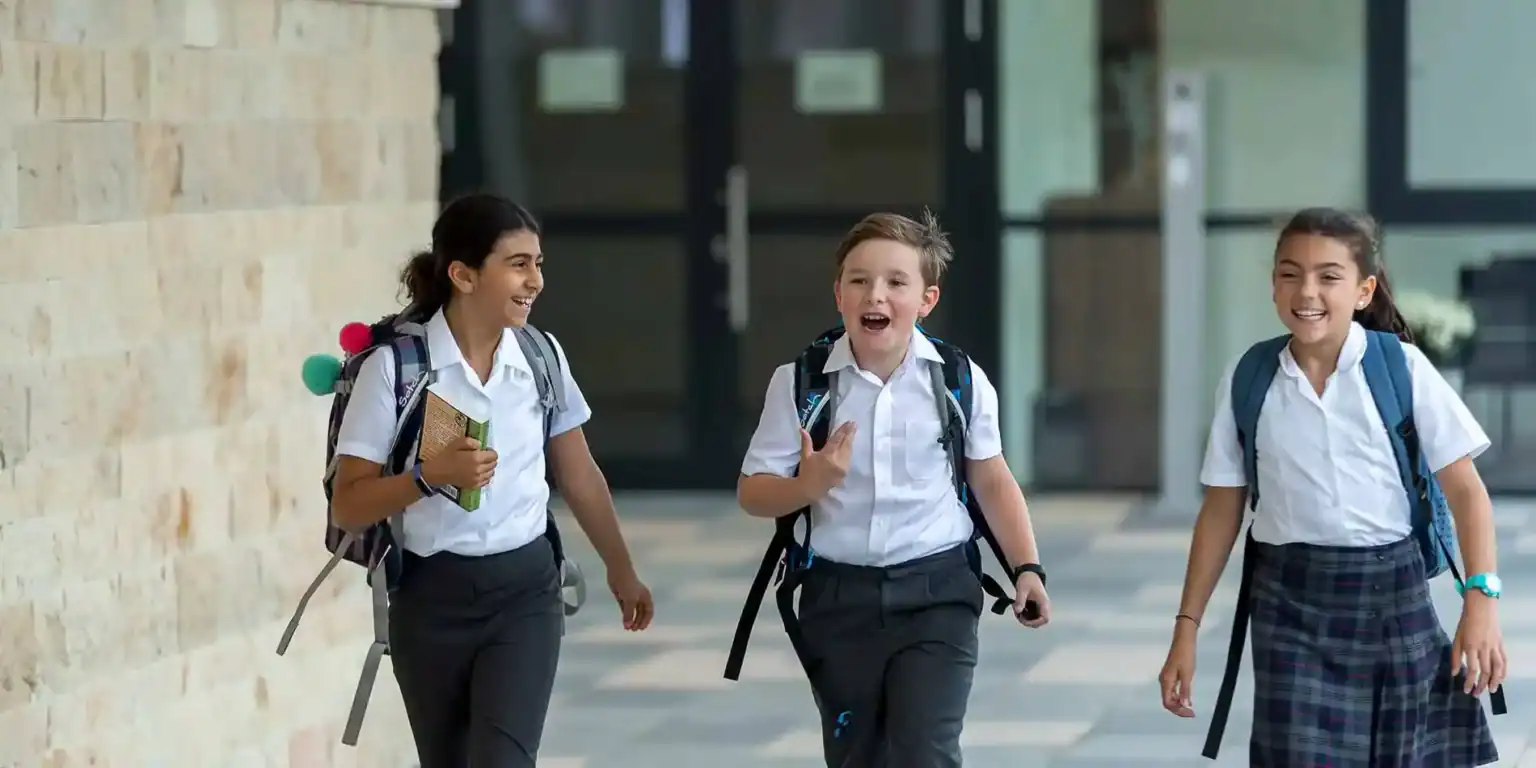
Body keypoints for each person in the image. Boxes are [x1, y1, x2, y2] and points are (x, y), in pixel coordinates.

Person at [1158, 207, 1504, 766]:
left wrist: (1480, 603)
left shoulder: (1402, 368)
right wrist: (1186, 629)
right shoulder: (1249, 377)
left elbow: (1467, 492)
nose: (1307, 291)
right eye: (1290, 273)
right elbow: (1223, 508)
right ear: (1273, 285)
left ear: (1364, 290)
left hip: (1393, 598)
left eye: (1328, 276)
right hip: (1288, 606)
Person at [328, 193, 655, 767]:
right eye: (519, 264)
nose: (536, 281)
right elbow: (349, 506)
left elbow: (578, 474)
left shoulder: (539, 355)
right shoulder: (395, 370)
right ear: (463, 275)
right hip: (429, 599)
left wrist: (621, 569)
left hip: (525, 592)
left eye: (539, 263)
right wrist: (428, 477)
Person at [737, 211, 1051, 768]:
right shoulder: (801, 381)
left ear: (927, 299)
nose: (874, 294)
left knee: (925, 752)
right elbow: (753, 491)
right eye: (859, 280)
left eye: (895, 282)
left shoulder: (958, 380)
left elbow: (991, 476)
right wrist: (807, 485)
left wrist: (1027, 568)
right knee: (856, 756)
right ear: (838, 293)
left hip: (937, 591)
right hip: (837, 599)